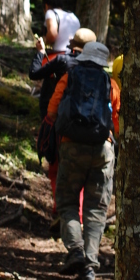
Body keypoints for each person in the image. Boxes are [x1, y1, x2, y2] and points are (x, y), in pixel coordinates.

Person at [48, 40, 120, 280]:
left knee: (67, 202)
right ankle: (89, 267)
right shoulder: (111, 85)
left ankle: (75, 250)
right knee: (96, 209)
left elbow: (52, 111)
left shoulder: (69, 78)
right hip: (103, 150)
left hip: (71, 146)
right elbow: (117, 121)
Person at [31, 28, 97, 216]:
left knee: (56, 168)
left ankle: (60, 211)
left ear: (73, 46)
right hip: (90, 128)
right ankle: (78, 215)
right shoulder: (98, 69)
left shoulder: (63, 62)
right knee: (80, 173)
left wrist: (39, 53)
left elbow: (34, 73)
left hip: (61, 124)